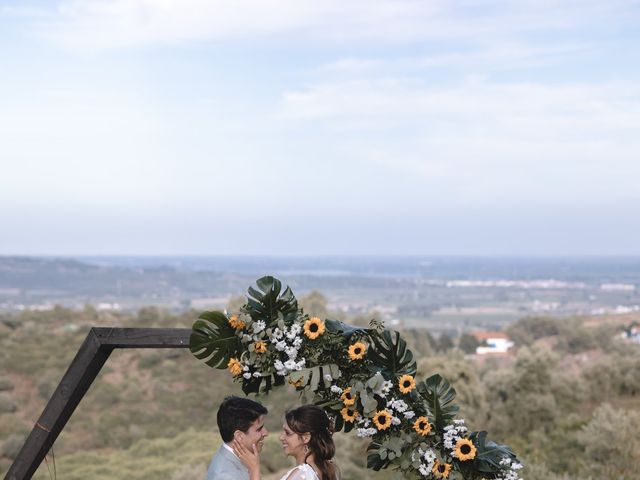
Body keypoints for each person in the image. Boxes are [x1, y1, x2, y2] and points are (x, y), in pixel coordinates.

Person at [233, 404, 339, 480]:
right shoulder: (321, 470)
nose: (281, 437)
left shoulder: (302, 474)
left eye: (288, 433)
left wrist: (254, 469)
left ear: (306, 438)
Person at [206, 396, 269, 480]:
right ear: (239, 436)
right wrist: (255, 471)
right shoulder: (224, 476)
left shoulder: (241, 460)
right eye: (259, 429)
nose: (266, 433)